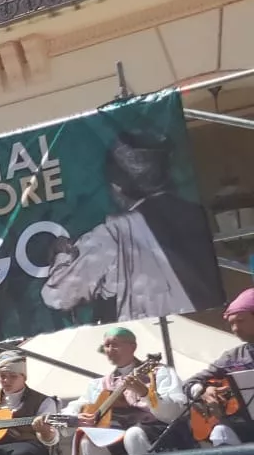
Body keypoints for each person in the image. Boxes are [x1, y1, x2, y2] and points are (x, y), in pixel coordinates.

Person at [41, 126, 222, 322]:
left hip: (153, 334)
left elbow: (58, 296)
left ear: (117, 185)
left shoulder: (114, 234)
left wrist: (61, 255)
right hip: (209, 325)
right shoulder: (201, 215)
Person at [46, 326, 184, 455]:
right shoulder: (99, 384)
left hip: (157, 431)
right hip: (117, 434)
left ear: (133, 347)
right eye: (106, 346)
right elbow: (75, 408)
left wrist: (146, 393)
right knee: (89, 442)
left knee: (133, 435)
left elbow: (175, 412)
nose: (110, 350)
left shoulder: (158, 372)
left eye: (115, 344)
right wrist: (63, 419)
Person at [155, 288, 254, 451]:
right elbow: (190, 383)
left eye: (241, 321)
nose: (235, 328)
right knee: (220, 431)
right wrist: (203, 391)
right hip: (244, 427)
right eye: (231, 324)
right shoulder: (232, 357)